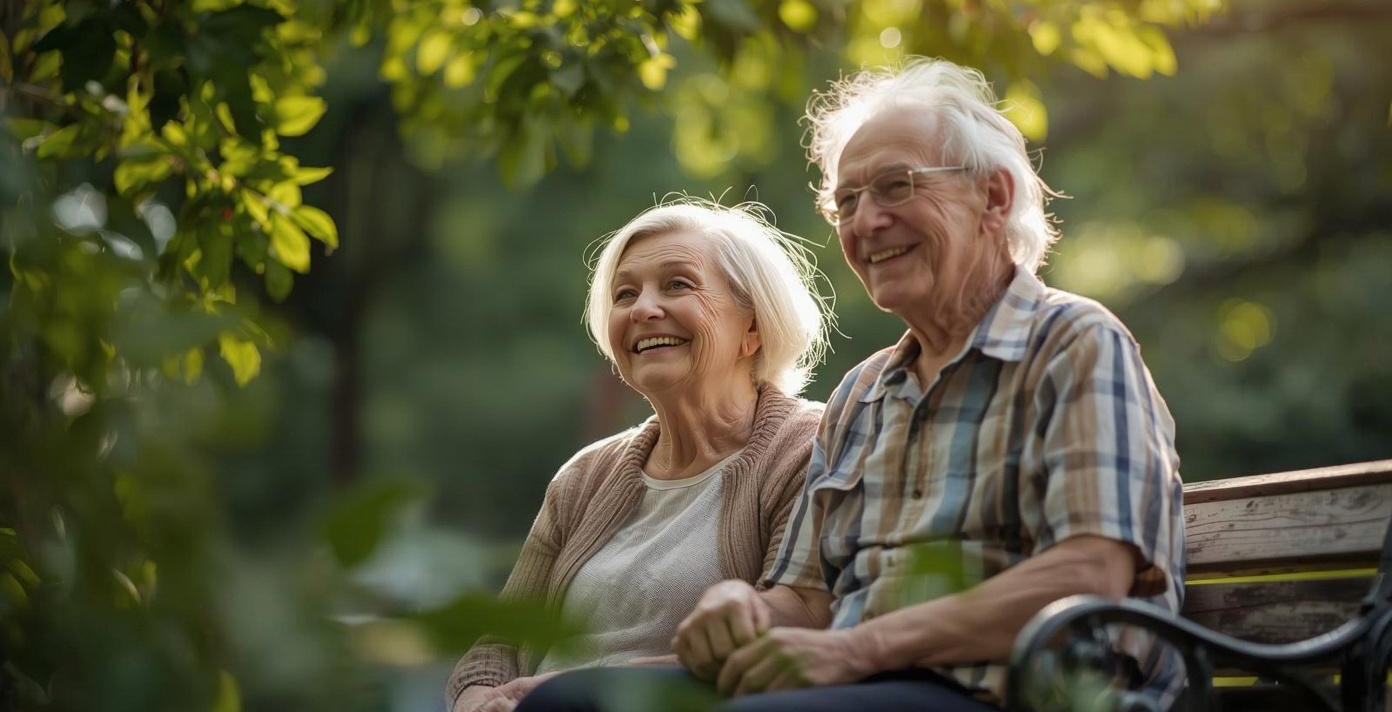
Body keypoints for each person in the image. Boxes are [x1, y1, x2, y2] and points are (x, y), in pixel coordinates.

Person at [518, 59, 1184, 711]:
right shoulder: (863, 395)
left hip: (1017, 689)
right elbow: (803, 597)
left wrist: (860, 648)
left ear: (994, 197)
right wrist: (744, 607)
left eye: (896, 187)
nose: (865, 222)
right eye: (847, 202)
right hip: (862, 686)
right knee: (569, 702)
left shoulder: (1074, 345)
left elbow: (1092, 573)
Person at [447, 199, 831, 712]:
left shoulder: (808, 446)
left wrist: (568, 690)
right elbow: (492, 652)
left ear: (753, 328)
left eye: (677, 284)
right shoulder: (584, 476)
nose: (642, 309)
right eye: (625, 294)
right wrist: (479, 703)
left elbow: (792, 633)